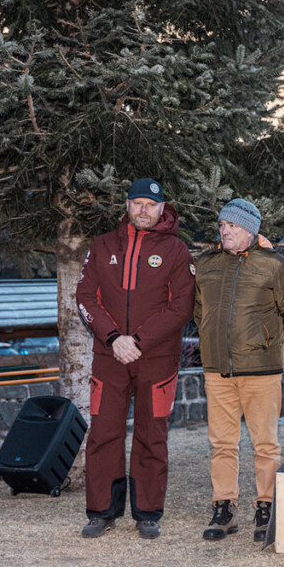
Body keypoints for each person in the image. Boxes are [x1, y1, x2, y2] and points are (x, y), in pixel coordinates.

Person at [75, 178, 195, 540]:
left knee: (151, 434)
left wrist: (138, 340)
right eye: (137, 202)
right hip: (109, 355)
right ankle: (101, 511)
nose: (143, 210)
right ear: (127, 205)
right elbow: (85, 296)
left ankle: (147, 512)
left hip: (156, 357)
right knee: (103, 433)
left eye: (151, 204)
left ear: (162, 208)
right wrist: (114, 338)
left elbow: (180, 307)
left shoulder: (176, 250)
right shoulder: (102, 246)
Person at [194, 198, 284, 542]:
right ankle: (224, 508)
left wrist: (266, 342)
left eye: (232, 226)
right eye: (222, 225)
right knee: (222, 443)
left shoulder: (273, 265)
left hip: (261, 370)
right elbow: (200, 312)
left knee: (265, 443)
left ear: (250, 230)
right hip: (217, 369)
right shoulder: (207, 264)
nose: (224, 230)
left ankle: (266, 507)